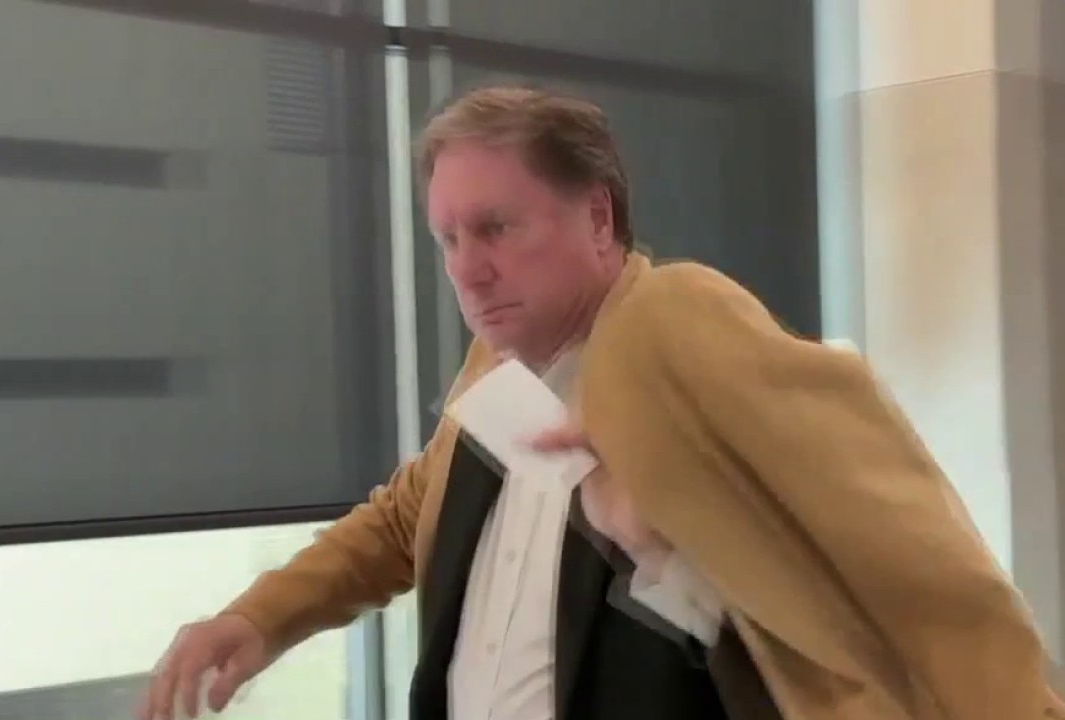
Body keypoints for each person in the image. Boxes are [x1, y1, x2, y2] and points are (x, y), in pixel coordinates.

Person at [138, 86, 1063, 720]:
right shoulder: (493, 368)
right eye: (448, 238)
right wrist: (260, 619)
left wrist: (668, 538)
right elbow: (405, 519)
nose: (467, 269)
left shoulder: (679, 322)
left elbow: (901, 548)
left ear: (598, 218)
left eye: (497, 228)